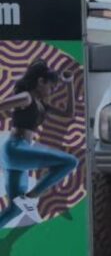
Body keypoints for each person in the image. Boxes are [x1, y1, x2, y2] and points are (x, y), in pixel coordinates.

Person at [0, 60, 79, 227]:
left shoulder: (41, 104)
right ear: (40, 81)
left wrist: (69, 84)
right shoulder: (26, 97)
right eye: (50, 87)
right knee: (70, 161)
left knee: (15, 209)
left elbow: (69, 114)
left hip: (19, 153)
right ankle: (30, 197)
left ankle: (27, 199)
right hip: (15, 149)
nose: (51, 92)